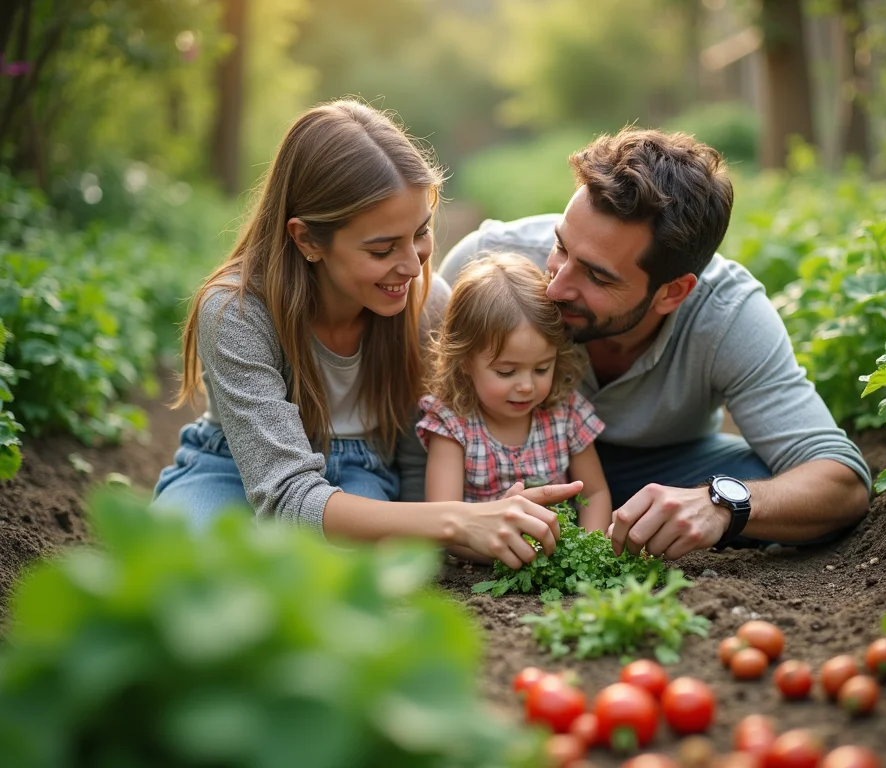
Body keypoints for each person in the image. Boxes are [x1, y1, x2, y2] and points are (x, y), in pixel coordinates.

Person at [152, 99, 580, 570]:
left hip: (361, 472)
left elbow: (417, 453)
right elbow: (285, 493)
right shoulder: (237, 312)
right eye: (381, 250)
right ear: (307, 239)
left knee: (340, 584)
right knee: (179, 569)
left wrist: (433, 544)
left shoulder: (425, 305)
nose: (411, 265)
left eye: (420, 233)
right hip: (232, 466)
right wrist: (458, 520)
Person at [424, 127, 871, 561]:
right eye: (560, 247)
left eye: (597, 276)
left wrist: (717, 505)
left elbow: (842, 482)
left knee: (759, 482)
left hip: (663, 470)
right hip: (488, 474)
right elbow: (420, 427)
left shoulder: (729, 315)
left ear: (673, 292)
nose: (555, 287)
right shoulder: (485, 267)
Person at [416, 254, 612, 561]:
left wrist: (588, 551)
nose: (526, 386)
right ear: (465, 362)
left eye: (542, 368)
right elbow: (445, 521)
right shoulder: (453, 425)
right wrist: (509, 554)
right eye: (506, 372)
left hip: (559, 554)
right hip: (487, 561)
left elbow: (594, 492)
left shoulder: (564, 412)